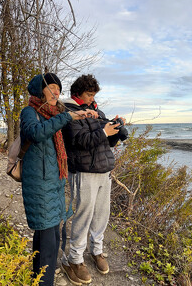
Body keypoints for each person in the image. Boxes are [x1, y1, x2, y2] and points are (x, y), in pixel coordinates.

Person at [20, 73, 96, 286]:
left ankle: (37, 278)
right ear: (39, 89)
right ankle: (43, 282)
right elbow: (35, 134)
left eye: (58, 89)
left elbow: (68, 139)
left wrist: (85, 117)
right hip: (39, 187)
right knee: (48, 245)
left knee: (49, 239)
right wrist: (66, 117)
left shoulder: (54, 114)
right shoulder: (30, 112)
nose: (56, 92)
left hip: (54, 185)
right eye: (51, 87)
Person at [60, 74, 126, 284]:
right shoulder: (69, 112)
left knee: (101, 214)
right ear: (77, 94)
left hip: (103, 170)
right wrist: (103, 132)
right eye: (89, 94)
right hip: (82, 171)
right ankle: (75, 258)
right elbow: (79, 141)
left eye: (94, 95)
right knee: (83, 215)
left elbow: (107, 143)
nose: (91, 99)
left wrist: (115, 130)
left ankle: (96, 250)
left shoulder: (98, 112)